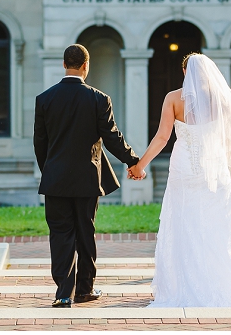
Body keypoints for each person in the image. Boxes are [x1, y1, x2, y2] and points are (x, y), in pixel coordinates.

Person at [129, 52, 231, 308]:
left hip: (183, 168)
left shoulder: (173, 98)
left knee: (184, 222)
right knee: (217, 225)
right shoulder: (221, 99)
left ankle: (183, 285)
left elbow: (162, 138)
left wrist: (139, 165)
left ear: (185, 73)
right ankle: (220, 283)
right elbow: (227, 141)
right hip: (213, 169)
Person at [33, 43, 142, 308]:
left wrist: (49, 170)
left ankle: (62, 293)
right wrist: (133, 161)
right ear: (86, 65)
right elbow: (112, 137)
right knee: (85, 233)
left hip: (55, 180)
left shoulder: (45, 99)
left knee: (60, 235)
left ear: (64, 64)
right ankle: (84, 290)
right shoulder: (98, 98)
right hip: (87, 180)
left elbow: (39, 143)